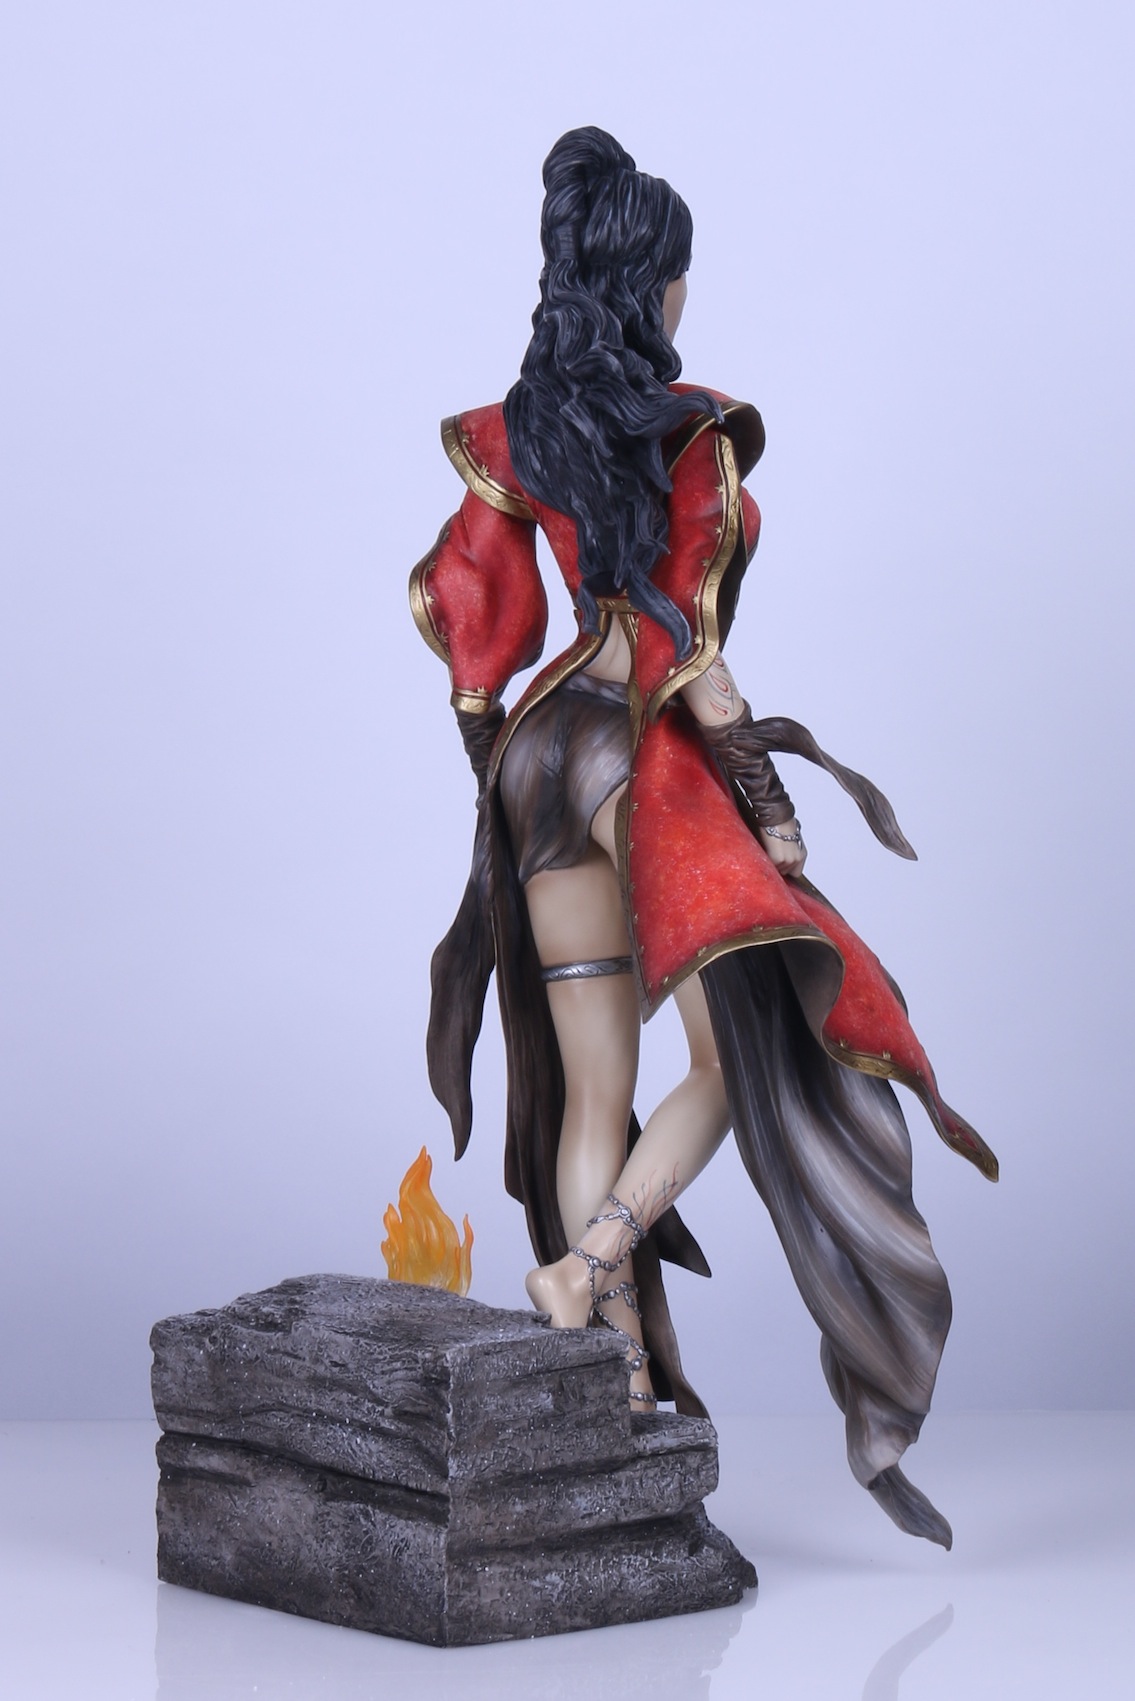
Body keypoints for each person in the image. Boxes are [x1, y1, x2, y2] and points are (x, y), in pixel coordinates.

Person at [409, 127, 997, 1549]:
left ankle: (608, 1366)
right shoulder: (687, 431)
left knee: (589, 1087)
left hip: (542, 756)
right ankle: (595, 1264)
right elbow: (693, 653)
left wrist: (498, 760)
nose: (686, 294)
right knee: (737, 1057)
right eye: (679, 273)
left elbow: (475, 608)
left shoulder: (519, 427)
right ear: (649, 282)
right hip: (637, 756)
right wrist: (769, 804)